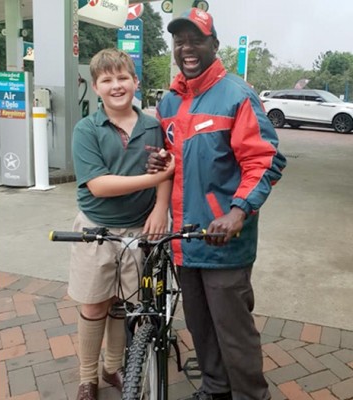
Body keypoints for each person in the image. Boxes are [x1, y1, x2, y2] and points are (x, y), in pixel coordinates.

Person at [150, 8, 286, 400]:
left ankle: (249, 395)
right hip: (184, 239)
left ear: (214, 45)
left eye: (196, 39)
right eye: (180, 41)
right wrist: (160, 161)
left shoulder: (236, 95)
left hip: (223, 241)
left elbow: (266, 161)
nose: (187, 48)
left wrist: (238, 211)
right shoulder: (170, 102)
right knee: (200, 325)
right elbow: (173, 160)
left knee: (233, 330)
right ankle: (215, 388)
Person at [69, 48, 174, 400]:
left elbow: (164, 170)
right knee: (94, 303)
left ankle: (112, 366)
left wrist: (161, 208)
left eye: (123, 78)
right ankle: (87, 377)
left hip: (140, 229)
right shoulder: (86, 129)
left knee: (124, 303)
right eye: (107, 80)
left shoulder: (152, 126)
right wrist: (153, 180)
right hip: (97, 226)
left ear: (136, 81)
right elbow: (99, 185)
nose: (116, 86)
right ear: (96, 87)